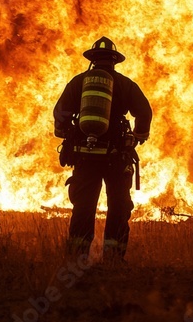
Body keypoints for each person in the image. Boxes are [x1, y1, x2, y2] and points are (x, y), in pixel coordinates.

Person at [53, 37, 151, 262]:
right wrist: (138, 136)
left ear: (93, 60)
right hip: (116, 157)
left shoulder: (79, 82)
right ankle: (113, 258)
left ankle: (77, 257)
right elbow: (144, 112)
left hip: (85, 157)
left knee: (84, 206)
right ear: (114, 61)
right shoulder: (126, 84)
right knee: (118, 205)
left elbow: (60, 113)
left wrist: (67, 132)